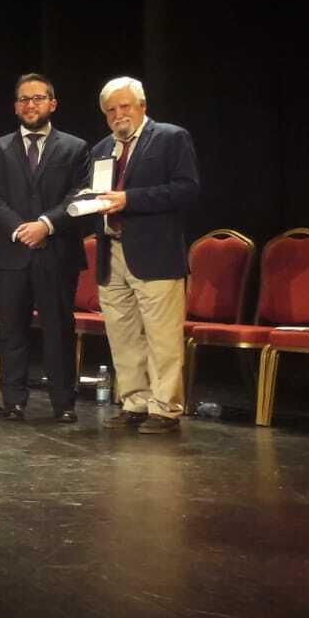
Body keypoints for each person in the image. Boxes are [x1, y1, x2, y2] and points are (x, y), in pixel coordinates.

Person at [0, 73, 92, 422]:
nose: (30, 105)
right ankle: (13, 401)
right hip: (9, 254)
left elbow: (81, 194)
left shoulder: (76, 148)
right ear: (15, 107)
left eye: (38, 98)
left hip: (56, 251)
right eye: (24, 100)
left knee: (59, 329)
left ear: (52, 104)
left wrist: (46, 224)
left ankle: (64, 403)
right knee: (12, 330)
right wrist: (19, 228)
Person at [92, 76, 199, 434]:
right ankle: (134, 402)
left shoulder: (170, 138)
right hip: (112, 252)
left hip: (154, 253)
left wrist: (130, 199)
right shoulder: (102, 149)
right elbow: (98, 194)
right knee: (122, 335)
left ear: (142, 106)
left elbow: (186, 189)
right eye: (111, 110)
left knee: (162, 336)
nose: (118, 115)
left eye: (125, 107)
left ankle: (165, 409)